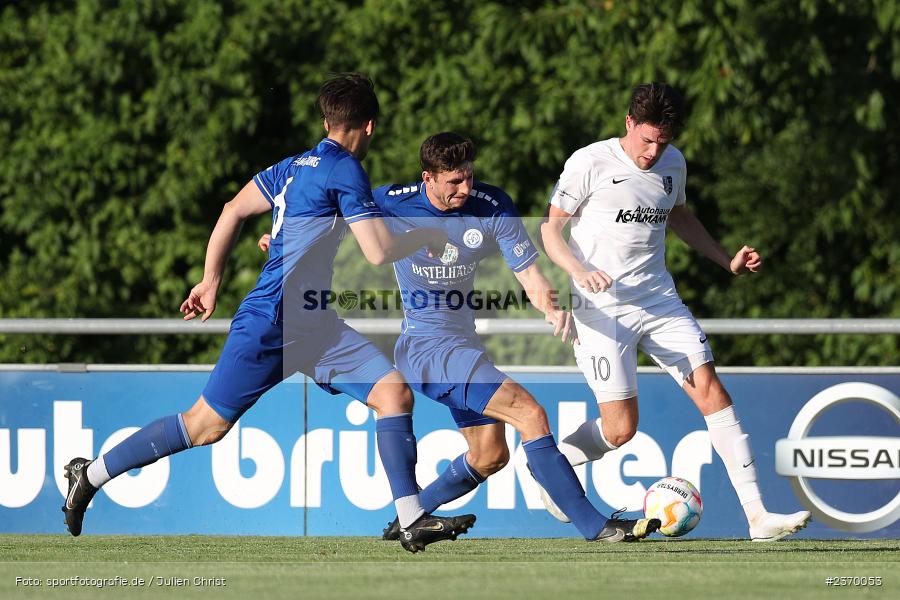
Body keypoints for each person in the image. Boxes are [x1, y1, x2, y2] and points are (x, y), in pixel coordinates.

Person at [61, 74, 476, 553]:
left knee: (393, 393)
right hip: (273, 320)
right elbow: (378, 251)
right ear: (369, 126)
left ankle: (411, 518)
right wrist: (427, 236)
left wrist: (210, 281)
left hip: (315, 324)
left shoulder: (293, 166)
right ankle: (90, 474)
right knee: (204, 425)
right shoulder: (346, 169)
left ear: (326, 121)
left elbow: (233, 209)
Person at [351, 131, 659, 543]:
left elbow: (528, 273)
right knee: (531, 414)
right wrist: (281, 240)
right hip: (428, 349)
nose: (465, 188)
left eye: (469, 176)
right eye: (454, 181)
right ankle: (596, 526)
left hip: (462, 345)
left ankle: (411, 516)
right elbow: (334, 214)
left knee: (490, 455)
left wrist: (551, 307)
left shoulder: (492, 205)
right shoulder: (392, 201)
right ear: (428, 178)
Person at [538, 82, 811, 541]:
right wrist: (579, 272)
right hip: (601, 309)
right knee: (620, 430)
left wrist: (726, 261)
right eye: (646, 140)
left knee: (712, 390)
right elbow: (550, 230)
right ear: (629, 123)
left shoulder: (673, 162)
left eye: (662, 143)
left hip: (659, 301)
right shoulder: (589, 162)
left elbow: (680, 217)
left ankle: (758, 518)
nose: (652, 152)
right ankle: (554, 466)